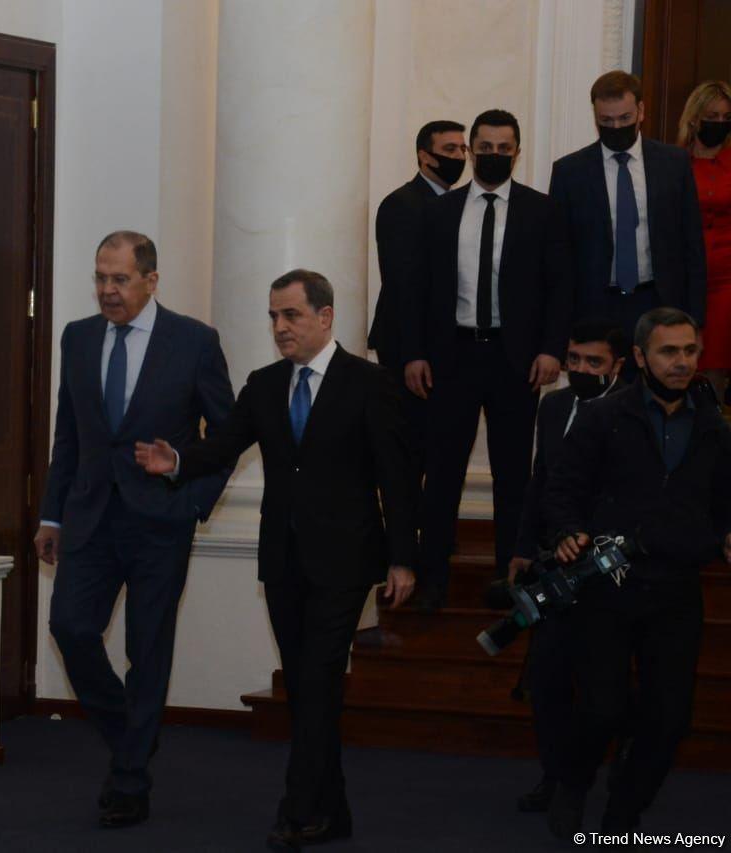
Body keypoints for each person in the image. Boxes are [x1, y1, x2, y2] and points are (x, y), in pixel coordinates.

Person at [134, 269, 416, 848]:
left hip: (345, 560)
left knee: (318, 679)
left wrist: (403, 559)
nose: (280, 327)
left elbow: (396, 476)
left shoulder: (369, 382)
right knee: (309, 690)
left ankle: (299, 809)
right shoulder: (264, 385)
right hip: (283, 560)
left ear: (325, 316)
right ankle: (333, 811)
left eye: (291, 315)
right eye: (273, 317)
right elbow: (224, 445)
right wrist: (178, 462)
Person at [35, 231, 235, 828]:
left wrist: (192, 499)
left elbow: (225, 436)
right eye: (100, 278)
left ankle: (128, 780)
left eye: (119, 279)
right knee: (70, 627)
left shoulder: (194, 341)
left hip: (160, 523)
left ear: (151, 280)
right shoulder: (78, 337)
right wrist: (52, 514)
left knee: (146, 652)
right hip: (90, 518)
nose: (107, 290)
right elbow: (69, 434)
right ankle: (132, 735)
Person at [543, 307, 731, 838]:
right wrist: (567, 531)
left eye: (690, 351)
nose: (682, 362)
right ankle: (574, 782)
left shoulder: (713, 426)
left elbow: (723, 503)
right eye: (669, 351)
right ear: (642, 358)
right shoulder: (605, 417)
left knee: (670, 720)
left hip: (676, 590)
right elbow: (562, 489)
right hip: (607, 587)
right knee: (601, 709)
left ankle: (622, 818)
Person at [400, 109, 573, 610]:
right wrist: (413, 353)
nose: (494, 155)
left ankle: (510, 578)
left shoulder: (542, 211)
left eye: (504, 148)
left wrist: (552, 349)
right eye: (485, 147)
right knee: (442, 472)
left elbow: (561, 286)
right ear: (471, 150)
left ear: (517, 152)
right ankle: (432, 580)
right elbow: (413, 290)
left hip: (516, 360)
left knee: (514, 473)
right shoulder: (440, 211)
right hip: (451, 356)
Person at [507, 320, 628, 814]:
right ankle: (554, 776)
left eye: (592, 362)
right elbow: (541, 480)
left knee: (601, 687)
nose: (579, 369)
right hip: (552, 566)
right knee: (547, 679)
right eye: (573, 359)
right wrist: (522, 547)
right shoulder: (554, 406)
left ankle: (607, 776)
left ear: (618, 366)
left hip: (609, 571)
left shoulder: (630, 412)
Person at [549, 70, 707, 377]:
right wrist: (561, 328)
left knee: (659, 391)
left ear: (641, 111)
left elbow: (692, 246)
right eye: (606, 121)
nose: (616, 127)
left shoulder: (673, 163)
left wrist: (695, 320)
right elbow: (560, 256)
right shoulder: (570, 172)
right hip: (596, 305)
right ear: (595, 116)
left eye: (624, 118)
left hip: (659, 302)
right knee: (600, 397)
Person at [369, 120, 467, 497]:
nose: (460, 157)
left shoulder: (459, 205)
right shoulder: (403, 204)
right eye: (450, 150)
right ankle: (404, 529)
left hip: (446, 345)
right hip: (408, 348)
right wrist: (414, 352)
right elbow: (402, 285)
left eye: (462, 149)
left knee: (441, 448)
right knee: (409, 449)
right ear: (425, 157)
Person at [678, 80, 731, 402]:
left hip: (726, 279)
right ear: (695, 118)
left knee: (716, 364)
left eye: (727, 117)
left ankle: (711, 425)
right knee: (679, 358)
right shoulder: (674, 163)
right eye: (713, 116)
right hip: (684, 277)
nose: (720, 123)